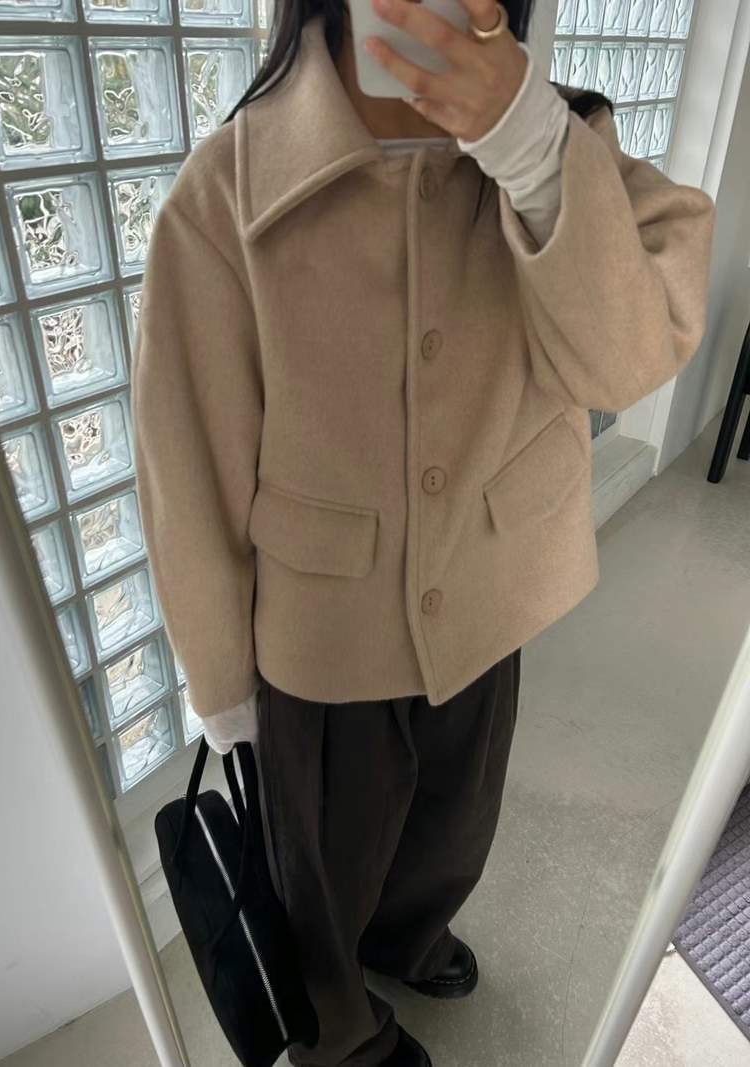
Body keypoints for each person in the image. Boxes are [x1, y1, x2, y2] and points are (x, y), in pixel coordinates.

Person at [130, 2, 716, 1064]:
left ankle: (407, 936)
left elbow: (625, 362)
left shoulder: (561, 146)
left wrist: (528, 146)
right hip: (323, 637)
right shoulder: (225, 195)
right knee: (321, 873)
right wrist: (220, 682)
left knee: (454, 823)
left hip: (489, 593)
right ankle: (340, 1031)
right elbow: (189, 463)